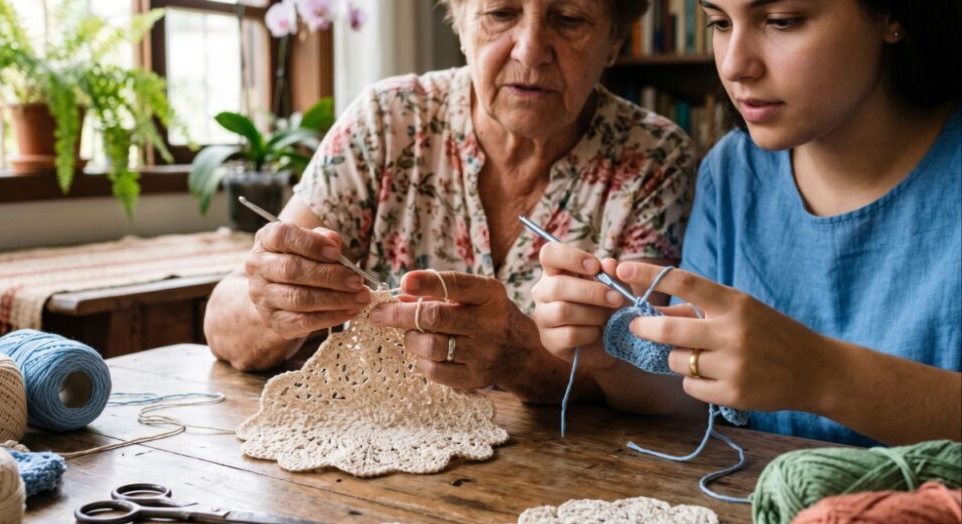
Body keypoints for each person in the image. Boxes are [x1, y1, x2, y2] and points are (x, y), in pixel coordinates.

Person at [205, 0, 696, 401]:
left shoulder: (652, 157)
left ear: (614, 40)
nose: (530, 50)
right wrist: (275, 303)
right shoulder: (388, 122)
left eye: (569, 19)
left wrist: (518, 355)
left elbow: (643, 375)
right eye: (501, 13)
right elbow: (223, 324)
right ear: (460, 20)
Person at [532, 0, 961, 446]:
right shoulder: (732, 171)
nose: (735, 65)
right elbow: (695, 400)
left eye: (782, 22)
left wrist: (822, 374)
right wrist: (611, 351)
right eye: (719, 23)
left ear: (894, 15)